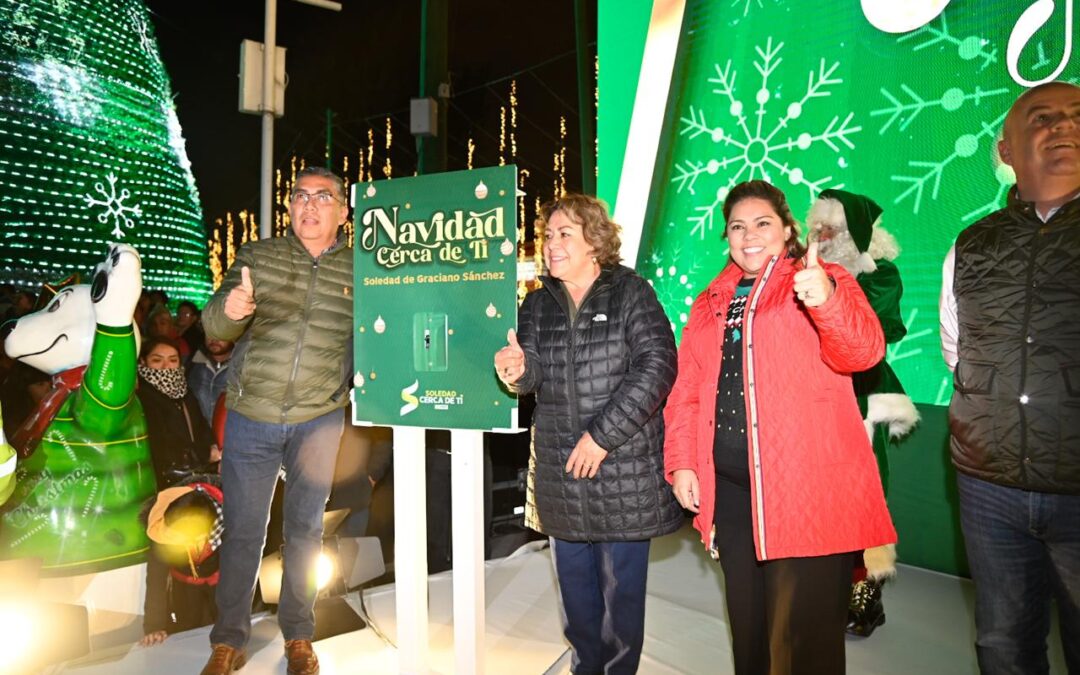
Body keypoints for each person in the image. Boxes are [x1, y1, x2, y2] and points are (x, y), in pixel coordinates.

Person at [664, 180, 896, 675]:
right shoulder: (710, 302)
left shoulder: (823, 278)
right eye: (737, 227)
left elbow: (863, 352)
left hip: (806, 490)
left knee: (801, 644)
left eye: (763, 223)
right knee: (748, 633)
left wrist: (825, 299)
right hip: (732, 491)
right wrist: (683, 461)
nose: (749, 236)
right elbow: (688, 389)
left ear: (788, 229)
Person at [493, 193, 682, 675]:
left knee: (621, 600)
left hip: (624, 471)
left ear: (594, 243)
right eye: (548, 235)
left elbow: (658, 365)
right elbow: (531, 372)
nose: (551, 245)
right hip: (560, 470)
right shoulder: (536, 303)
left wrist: (601, 437)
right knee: (576, 594)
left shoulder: (631, 292)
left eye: (564, 235)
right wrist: (515, 370)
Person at [940, 81, 1080, 674]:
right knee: (1003, 645)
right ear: (1005, 151)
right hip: (988, 487)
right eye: (1043, 119)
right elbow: (957, 350)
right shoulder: (970, 244)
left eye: (1076, 117)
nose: (1063, 128)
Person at [199, 166, 353, 675]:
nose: (309, 205)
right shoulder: (258, 257)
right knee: (244, 530)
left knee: (307, 531)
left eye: (323, 197)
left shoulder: (362, 268)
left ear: (343, 212)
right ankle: (229, 640)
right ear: (289, 208)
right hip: (252, 415)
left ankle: (299, 636)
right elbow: (215, 324)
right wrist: (234, 307)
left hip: (320, 417)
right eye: (300, 196)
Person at [809, 189, 919, 637]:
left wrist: (826, 288)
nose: (822, 234)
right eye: (818, 225)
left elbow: (868, 328)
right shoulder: (803, 270)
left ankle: (864, 589)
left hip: (861, 399)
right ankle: (820, 585)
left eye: (832, 227)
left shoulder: (880, 275)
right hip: (812, 397)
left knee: (863, 490)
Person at [139, 474, 224, 647]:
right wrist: (154, 626)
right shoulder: (162, 526)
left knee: (225, 632)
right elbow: (156, 579)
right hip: (184, 585)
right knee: (186, 632)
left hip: (224, 579)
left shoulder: (233, 518)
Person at [135, 337, 219, 489]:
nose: (166, 366)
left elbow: (200, 426)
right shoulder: (140, 395)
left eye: (173, 360)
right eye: (157, 360)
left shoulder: (185, 391)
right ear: (143, 361)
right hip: (157, 479)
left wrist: (211, 449)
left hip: (191, 474)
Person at [187, 334, 234, 425]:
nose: (214, 339)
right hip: (199, 434)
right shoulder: (192, 363)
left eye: (220, 333)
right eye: (210, 333)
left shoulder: (243, 367)